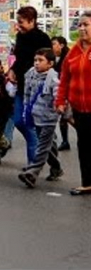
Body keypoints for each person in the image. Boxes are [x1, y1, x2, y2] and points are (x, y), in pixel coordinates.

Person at [8, 6, 51, 165]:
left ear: (32, 21)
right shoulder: (20, 37)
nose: (19, 26)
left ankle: (44, 164)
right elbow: (19, 59)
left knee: (39, 130)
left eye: (21, 22)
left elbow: (48, 64)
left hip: (38, 90)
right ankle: (34, 163)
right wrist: (12, 70)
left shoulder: (42, 39)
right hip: (22, 88)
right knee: (20, 121)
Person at [56, 11, 91, 196]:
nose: (83, 28)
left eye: (86, 24)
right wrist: (60, 101)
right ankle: (87, 183)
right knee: (84, 146)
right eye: (80, 25)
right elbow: (64, 79)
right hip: (79, 108)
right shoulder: (72, 53)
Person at [18, 48, 64, 188]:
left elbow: (58, 96)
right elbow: (27, 93)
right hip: (35, 115)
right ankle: (56, 168)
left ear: (50, 63)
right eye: (35, 60)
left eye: (40, 61)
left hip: (49, 118)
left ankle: (32, 172)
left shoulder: (53, 79)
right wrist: (26, 109)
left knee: (43, 146)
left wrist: (60, 106)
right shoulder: (31, 74)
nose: (37, 63)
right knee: (48, 146)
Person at [52, 36, 75, 151]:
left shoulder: (69, 57)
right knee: (65, 118)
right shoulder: (57, 58)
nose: (52, 46)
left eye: (54, 44)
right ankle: (65, 141)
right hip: (63, 91)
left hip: (71, 92)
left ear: (61, 45)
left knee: (68, 117)